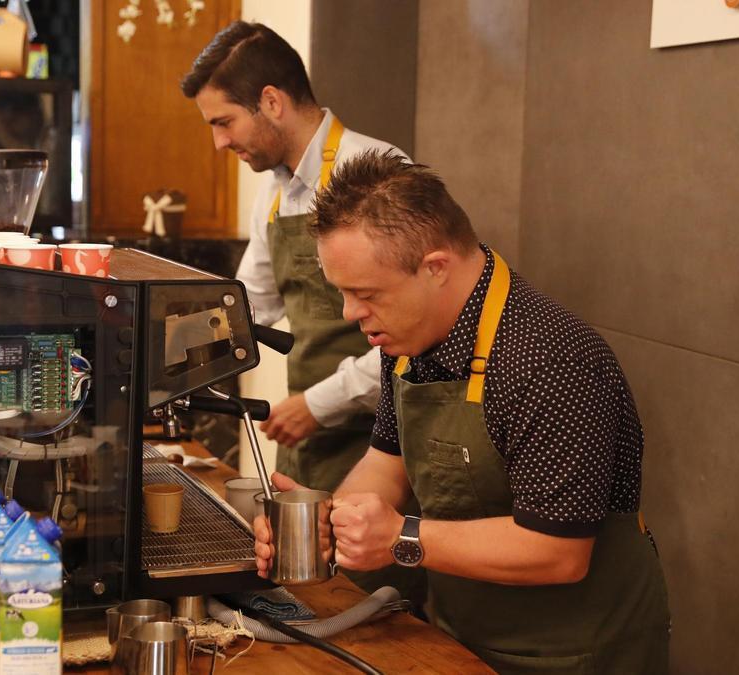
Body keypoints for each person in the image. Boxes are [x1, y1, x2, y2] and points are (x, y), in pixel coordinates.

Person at [253, 150, 671, 674]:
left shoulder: (551, 359)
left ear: (435, 268)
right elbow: (388, 463)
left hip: (574, 653)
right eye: (343, 293)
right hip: (458, 640)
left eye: (365, 294)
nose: (350, 314)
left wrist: (400, 539)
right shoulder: (405, 343)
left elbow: (558, 552)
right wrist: (326, 523)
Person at [180, 21, 426, 604]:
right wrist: (167, 352)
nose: (219, 143)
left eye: (223, 123)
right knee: (304, 602)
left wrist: (318, 403)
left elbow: (417, 333)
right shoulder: (279, 191)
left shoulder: (377, 173)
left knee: (371, 613)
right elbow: (246, 305)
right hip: (308, 443)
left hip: (375, 443)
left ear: (271, 101)